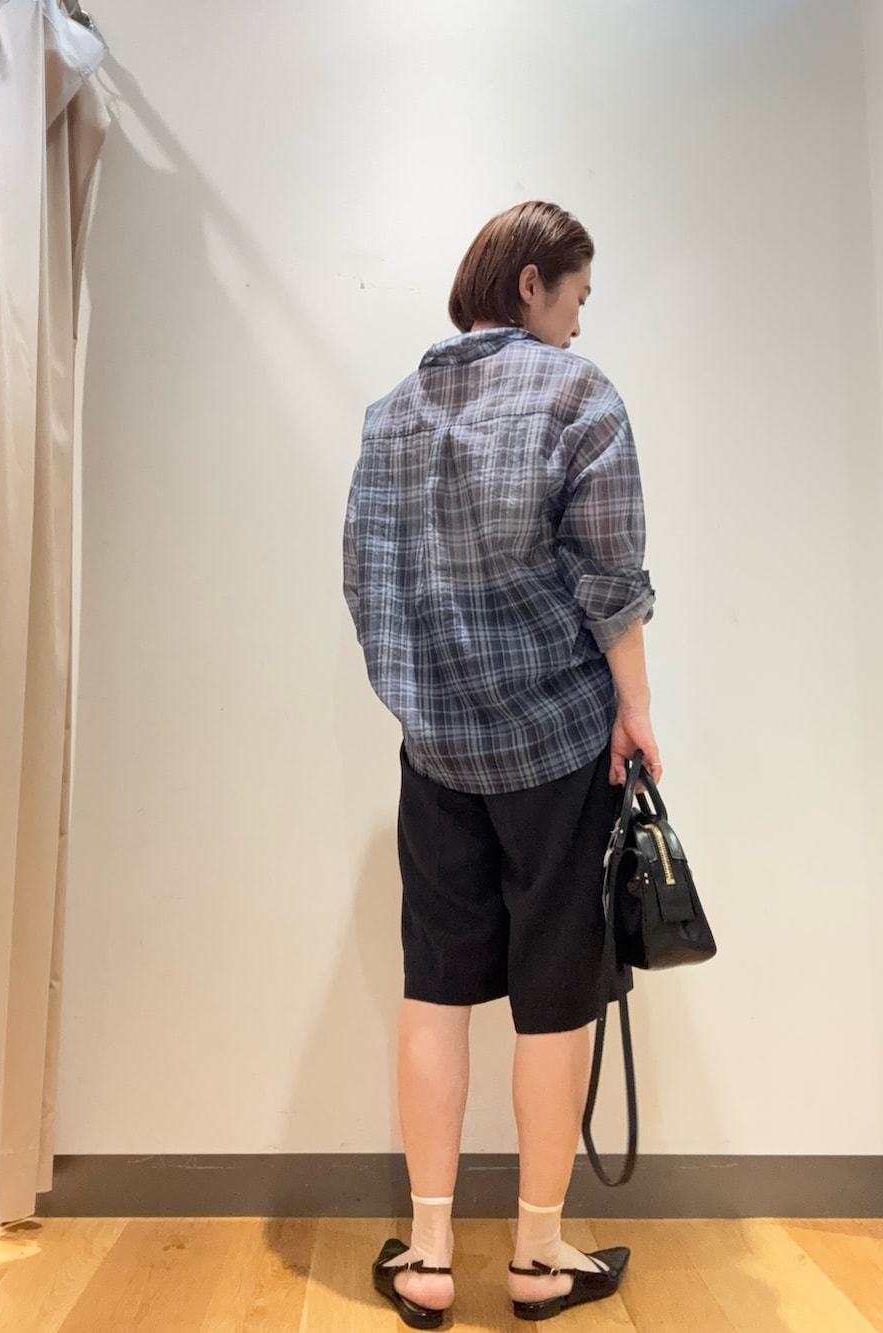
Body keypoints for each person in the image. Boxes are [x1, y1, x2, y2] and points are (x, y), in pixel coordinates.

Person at [343, 200, 661, 1328]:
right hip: (560, 747)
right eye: (576, 296)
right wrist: (635, 710)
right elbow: (609, 578)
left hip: (435, 751)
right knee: (555, 996)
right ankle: (535, 1255)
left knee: (435, 986)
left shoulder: (391, 415)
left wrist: (423, 701)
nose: (579, 322)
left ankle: (428, 1256)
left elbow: (365, 585)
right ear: (531, 282)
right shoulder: (578, 397)